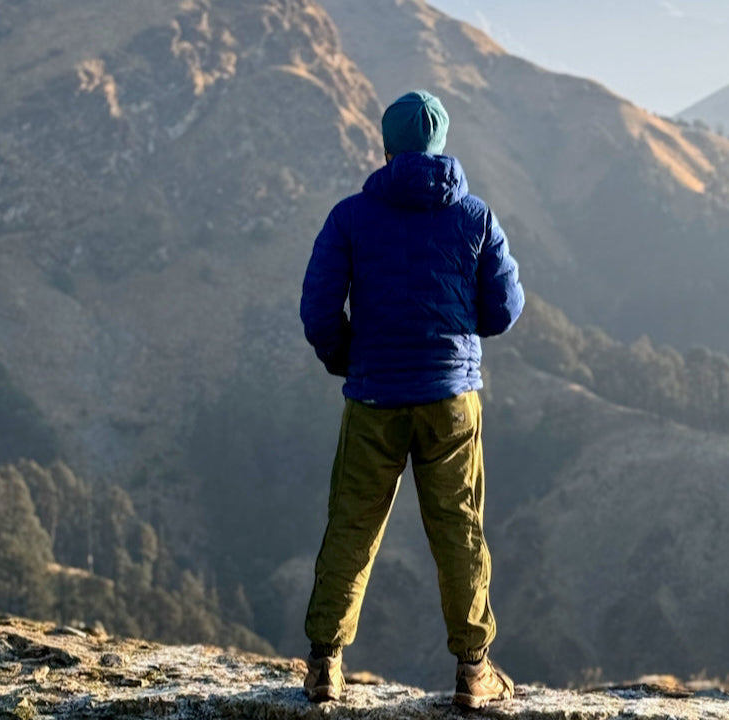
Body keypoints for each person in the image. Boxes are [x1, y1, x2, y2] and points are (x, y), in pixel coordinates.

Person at [299, 89, 525, 708]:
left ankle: (324, 665)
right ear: (441, 143)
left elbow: (318, 310)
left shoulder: (350, 217)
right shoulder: (475, 216)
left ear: (387, 145)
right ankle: (474, 672)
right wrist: (452, 336)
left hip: (373, 398)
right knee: (458, 529)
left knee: (353, 524)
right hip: (451, 400)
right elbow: (504, 310)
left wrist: (349, 358)